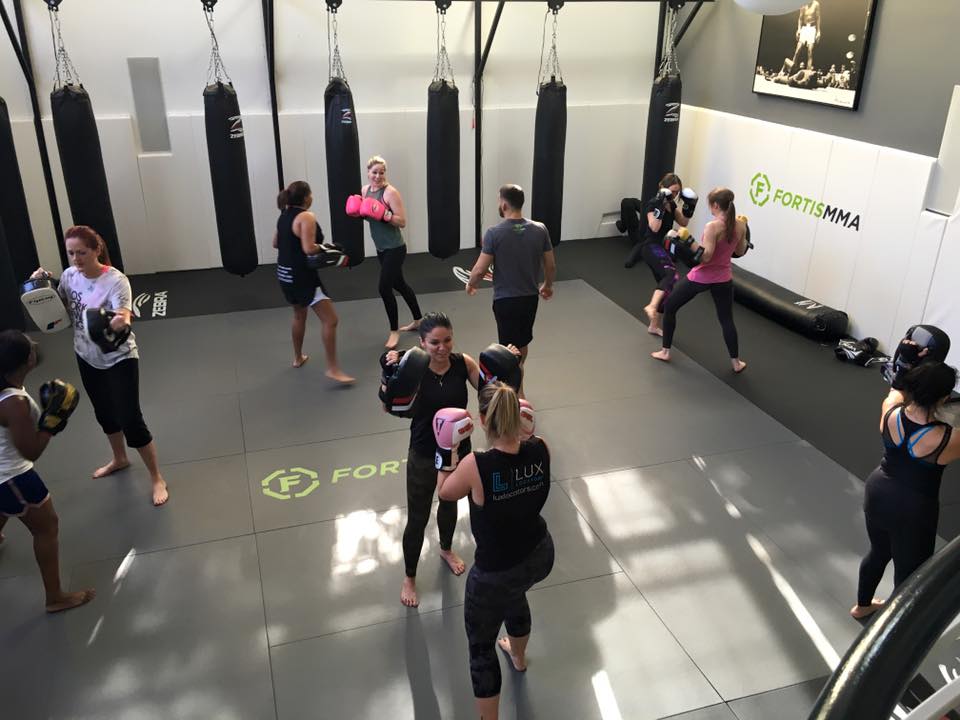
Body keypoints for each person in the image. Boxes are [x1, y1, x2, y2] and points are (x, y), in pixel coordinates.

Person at [438, 381, 554, 720]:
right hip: (539, 554)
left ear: (482, 421)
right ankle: (518, 657)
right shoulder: (542, 447)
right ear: (520, 415)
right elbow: (525, 449)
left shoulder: (476, 465)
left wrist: (446, 448)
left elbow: (445, 492)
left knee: (481, 648)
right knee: (515, 595)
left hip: (495, 572)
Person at [32, 225, 170, 505]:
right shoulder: (69, 277)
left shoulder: (116, 280)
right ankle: (120, 458)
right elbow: (61, 308)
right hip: (86, 355)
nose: (76, 259)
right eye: (71, 253)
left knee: (130, 419)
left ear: (97, 250)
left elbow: (124, 313)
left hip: (119, 357)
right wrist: (41, 287)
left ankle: (157, 478)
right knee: (104, 412)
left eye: (82, 252)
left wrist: (121, 321)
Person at [384, 312, 481, 608]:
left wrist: (510, 366)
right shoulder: (413, 368)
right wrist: (390, 377)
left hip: (458, 451)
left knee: (450, 503)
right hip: (424, 452)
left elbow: (491, 391)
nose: (442, 347)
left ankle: (446, 549)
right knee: (418, 517)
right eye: (435, 342)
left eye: (447, 340)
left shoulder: (463, 363)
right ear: (422, 343)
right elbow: (389, 408)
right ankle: (409, 577)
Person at [852, 361, 960, 619]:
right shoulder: (949, 438)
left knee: (878, 552)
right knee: (909, 572)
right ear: (944, 398)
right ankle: (893, 624)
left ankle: (862, 607)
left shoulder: (890, 410)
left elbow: (896, 388)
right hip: (914, 507)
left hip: (878, 491)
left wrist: (906, 361)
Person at [0, 329, 96, 613]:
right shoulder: (15, 404)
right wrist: (52, 422)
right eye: (30, 345)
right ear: (26, 360)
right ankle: (55, 597)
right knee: (47, 527)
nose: (36, 343)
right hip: (12, 477)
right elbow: (30, 451)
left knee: (6, 507)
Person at [651, 188, 748, 373]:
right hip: (724, 278)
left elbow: (706, 258)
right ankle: (736, 363)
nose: (710, 208)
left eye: (710, 205)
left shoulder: (713, 227)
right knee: (727, 319)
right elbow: (740, 251)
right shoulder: (740, 225)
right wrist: (742, 231)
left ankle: (665, 352)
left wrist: (688, 239)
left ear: (716, 205)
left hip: (701, 277)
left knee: (670, 306)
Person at [273, 180, 354, 383]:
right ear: (306, 197)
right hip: (302, 276)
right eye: (311, 194)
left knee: (299, 315)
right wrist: (328, 248)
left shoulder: (284, 215)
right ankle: (333, 369)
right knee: (330, 320)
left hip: (284, 274)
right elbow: (309, 249)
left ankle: (298, 357)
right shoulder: (306, 216)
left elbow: (275, 243)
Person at [465, 184, 556, 364]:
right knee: (522, 343)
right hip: (530, 299)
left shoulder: (493, 233)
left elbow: (480, 270)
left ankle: (514, 380)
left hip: (505, 301)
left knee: (507, 349)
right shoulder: (540, 229)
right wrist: (547, 285)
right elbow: (550, 265)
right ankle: (519, 377)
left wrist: (471, 284)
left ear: (504, 205)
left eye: (499, 201)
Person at [360, 156, 422, 350]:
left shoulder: (390, 193)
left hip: (395, 248)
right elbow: (368, 215)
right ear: (368, 172)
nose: (378, 176)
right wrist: (359, 213)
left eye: (381, 172)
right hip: (381, 248)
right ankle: (419, 320)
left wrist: (385, 214)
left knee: (384, 288)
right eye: (374, 172)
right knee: (400, 284)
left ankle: (394, 331)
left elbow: (402, 222)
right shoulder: (365, 191)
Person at [621, 173, 693, 336]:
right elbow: (654, 227)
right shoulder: (654, 203)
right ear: (663, 188)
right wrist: (660, 204)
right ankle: (651, 306)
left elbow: (683, 222)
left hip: (664, 248)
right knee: (672, 275)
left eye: (677, 192)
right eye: (672, 191)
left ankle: (653, 326)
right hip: (651, 247)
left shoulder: (672, 205)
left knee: (667, 287)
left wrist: (689, 206)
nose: (675, 195)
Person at [790, 1, 821, 72]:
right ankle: (792, 70)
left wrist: (818, 31)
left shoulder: (816, 4)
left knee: (810, 51)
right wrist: (799, 29)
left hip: (812, 28)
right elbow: (800, 18)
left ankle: (808, 72)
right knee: (798, 50)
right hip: (804, 28)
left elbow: (818, 17)